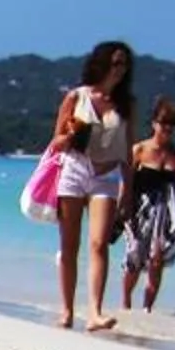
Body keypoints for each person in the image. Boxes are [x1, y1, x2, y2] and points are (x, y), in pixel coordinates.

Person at [51, 39, 136, 331]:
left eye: (124, 64)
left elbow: (127, 151)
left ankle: (95, 312)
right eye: (115, 63)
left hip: (106, 176)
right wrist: (74, 134)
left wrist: (129, 189)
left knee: (99, 243)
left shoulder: (126, 105)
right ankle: (66, 310)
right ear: (101, 64)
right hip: (74, 170)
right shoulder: (76, 97)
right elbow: (56, 142)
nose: (119, 69)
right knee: (69, 244)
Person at [117, 97, 175, 316]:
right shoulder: (139, 149)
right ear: (154, 123)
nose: (167, 129)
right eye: (163, 124)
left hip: (165, 211)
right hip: (140, 208)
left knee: (157, 259)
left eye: (171, 125)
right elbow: (127, 180)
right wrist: (123, 206)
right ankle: (125, 303)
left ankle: (148, 308)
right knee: (135, 255)